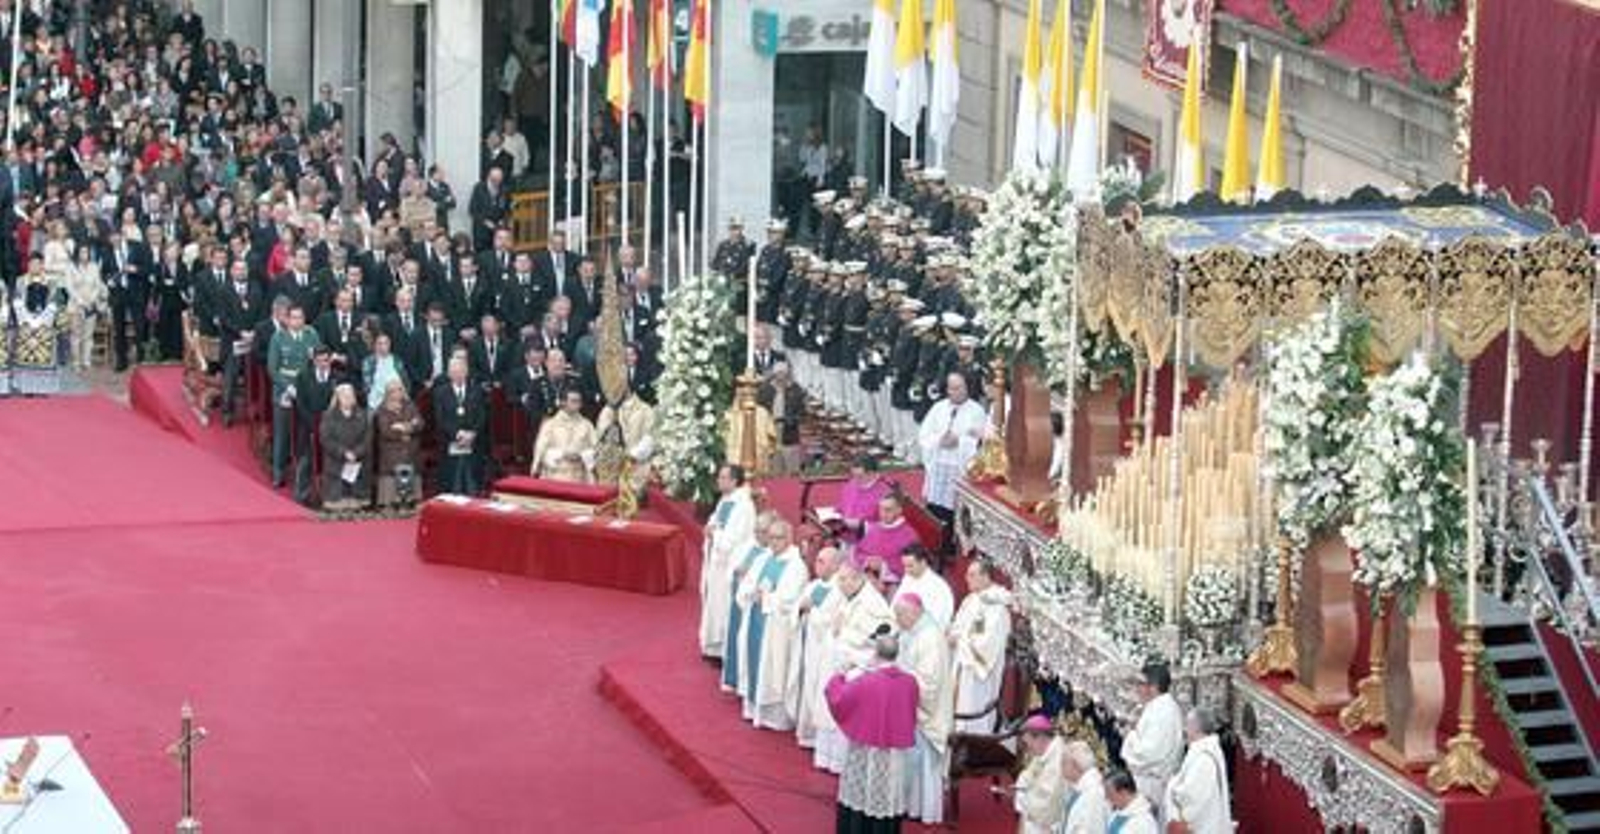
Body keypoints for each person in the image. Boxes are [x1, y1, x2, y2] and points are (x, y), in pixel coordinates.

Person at [825, 635, 919, 834]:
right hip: (894, 751)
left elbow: (838, 699)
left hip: (866, 749)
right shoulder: (910, 682)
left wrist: (838, 676)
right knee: (887, 792)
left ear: (876, 654)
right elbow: (912, 708)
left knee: (861, 790)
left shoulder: (865, 681)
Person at [814, 562, 894, 774]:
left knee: (844, 713)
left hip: (854, 666)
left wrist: (842, 631)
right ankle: (827, 758)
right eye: (839, 579)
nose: (839, 584)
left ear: (857, 579)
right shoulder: (848, 596)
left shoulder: (872, 604)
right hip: (835, 661)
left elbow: (873, 640)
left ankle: (841, 762)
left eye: (843, 579)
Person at [742, 520, 810, 730]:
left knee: (775, 668)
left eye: (778, 538)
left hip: (777, 628)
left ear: (789, 538)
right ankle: (755, 709)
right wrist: (750, 593)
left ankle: (777, 717)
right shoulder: (764, 558)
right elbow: (749, 582)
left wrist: (767, 598)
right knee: (756, 663)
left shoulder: (796, 565)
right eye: (770, 537)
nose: (773, 542)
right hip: (757, 619)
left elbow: (790, 599)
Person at [893, 592, 954, 826]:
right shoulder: (913, 631)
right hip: (911, 708)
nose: (897, 620)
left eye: (900, 614)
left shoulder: (929, 637)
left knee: (924, 763)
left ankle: (926, 810)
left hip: (927, 713)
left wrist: (901, 678)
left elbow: (929, 682)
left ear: (915, 612)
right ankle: (911, 805)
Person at [917, 372, 987, 550]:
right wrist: (940, 440)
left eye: (959, 388)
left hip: (959, 467)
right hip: (938, 464)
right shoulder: (938, 408)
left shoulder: (976, 411)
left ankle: (949, 545)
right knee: (935, 508)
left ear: (966, 388)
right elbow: (924, 435)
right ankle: (933, 542)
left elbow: (981, 443)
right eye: (951, 388)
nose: (954, 392)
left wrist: (959, 442)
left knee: (954, 510)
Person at [947, 560, 1012, 732]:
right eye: (967, 574)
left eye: (972, 575)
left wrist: (959, 641)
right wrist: (951, 633)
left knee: (972, 709)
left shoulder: (996, 607)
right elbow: (960, 626)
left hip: (977, 672)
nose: (966, 578)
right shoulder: (972, 599)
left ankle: (972, 740)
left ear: (985, 577)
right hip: (962, 663)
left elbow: (985, 643)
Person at [701, 464, 756, 659]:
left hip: (729, 563)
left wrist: (714, 532)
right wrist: (711, 528)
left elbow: (735, 538)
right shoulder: (725, 500)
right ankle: (712, 646)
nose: (719, 480)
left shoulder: (743, 505)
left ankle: (723, 650)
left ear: (734, 481)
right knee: (714, 602)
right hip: (716, 561)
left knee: (724, 605)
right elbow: (714, 520)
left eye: (723, 477)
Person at [1120, 661, 1185, 820]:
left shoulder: (1163, 713)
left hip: (1151, 785)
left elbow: (1147, 754)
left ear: (1153, 687)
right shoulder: (1158, 707)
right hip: (1148, 781)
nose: (1137, 688)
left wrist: (1131, 736)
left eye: (1140, 684)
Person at [721, 513, 777, 698]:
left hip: (756, 605)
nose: (758, 535)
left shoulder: (773, 555)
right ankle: (732, 677)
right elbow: (732, 566)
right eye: (756, 531)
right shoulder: (747, 546)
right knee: (735, 638)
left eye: (763, 531)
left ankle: (747, 684)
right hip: (739, 601)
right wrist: (736, 572)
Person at [267, 304, 322, 488]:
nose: (298, 321)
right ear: (287, 319)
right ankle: (278, 471)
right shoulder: (278, 337)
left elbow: (317, 360)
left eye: (301, 317)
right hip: (285, 388)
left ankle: (304, 470)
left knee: (306, 430)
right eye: (294, 318)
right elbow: (273, 369)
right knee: (282, 432)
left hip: (306, 388)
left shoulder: (311, 335)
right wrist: (288, 387)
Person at [794, 546, 843, 749]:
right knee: (807, 686)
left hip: (822, 650)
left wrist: (810, 610)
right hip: (807, 643)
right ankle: (805, 731)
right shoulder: (814, 585)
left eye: (822, 561)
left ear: (835, 565)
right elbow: (799, 607)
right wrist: (801, 609)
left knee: (817, 687)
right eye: (817, 560)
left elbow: (830, 621)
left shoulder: (838, 590)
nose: (816, 564)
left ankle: (815, 736)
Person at [1164, 707, 1233, 834]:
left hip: (1201, 826)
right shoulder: (1202, 750)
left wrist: (1171, 786)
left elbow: (1192, 796)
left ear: (1195, 727)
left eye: (1187, 725)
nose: (1184, 729)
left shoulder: (1204, 759)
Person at [434, 356, 489, 494]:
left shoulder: (476, 391)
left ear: (466, 372)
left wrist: (472, 433)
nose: (458, 374)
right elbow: (441, 419)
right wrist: (457, 434)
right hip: (450, 441)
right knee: (453, 482)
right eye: (454, 371)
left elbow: (482, 416)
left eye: (461, 371)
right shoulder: (440, 392)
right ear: (449, 373)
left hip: (473, 442)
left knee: (472, 481)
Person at [293, 346, 341, 505]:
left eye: (326, 360)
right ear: (313, 361)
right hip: (308, 424)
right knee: (305, 460)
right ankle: (302, 494)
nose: (323, 364)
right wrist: (313, 424)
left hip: (332, 427)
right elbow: (300, 403)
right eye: (319, 360)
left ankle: (330, 496)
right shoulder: (303, 377)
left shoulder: (338, 377)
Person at [9, 258, 63, 396]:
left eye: (38, 264)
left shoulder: (51, 281)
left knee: (45, 351)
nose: (35, 266)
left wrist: (44, 318)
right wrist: (27, 319)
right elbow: (15, 299)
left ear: (42, 266)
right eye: (32, 264)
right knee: (25, 351)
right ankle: (27, 387)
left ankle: (43, 388)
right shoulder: (21, 281)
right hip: (25, 322)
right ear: (28, 266)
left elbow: (57, 300)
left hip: (45, 323)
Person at [320, 383, 372, 510]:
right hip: (336, 461)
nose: (349, 398)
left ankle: (359, 499)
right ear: (338, 398)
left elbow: (367, 438)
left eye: (351, 395)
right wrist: (343, 452)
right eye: (345, 396)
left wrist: (356, 453)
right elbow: (326, 439)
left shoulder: (363, 415)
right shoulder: (328, 416)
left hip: (358, 460)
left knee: (359, 502)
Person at [1012, 716, 1066, 834]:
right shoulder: (1044, 751)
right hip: (1035, 813)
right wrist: (1021, 790)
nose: (1028, 750)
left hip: (1048, 824)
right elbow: (1027, 774)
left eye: (1029, 744)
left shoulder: (1058, 761)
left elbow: (1048, 803)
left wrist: (1024, 797)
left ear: (1040, 738)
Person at [374, 381, 424, 508]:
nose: (397, 393)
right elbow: (385, 430)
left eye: (399, 390)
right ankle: (391, 502)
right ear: (388, 393)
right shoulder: (382, 409)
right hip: (391, 450)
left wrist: (405, 428)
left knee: (411, 464)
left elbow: (420, 423)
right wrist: (404, 431)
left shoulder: (410, 405)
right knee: (392, 466)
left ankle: (411, 500)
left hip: (410, 448)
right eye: (393, 391)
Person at [532, 388, 598, 483]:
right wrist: (561, 454)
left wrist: (584, 455)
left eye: (579, 401)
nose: (577, 405)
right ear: (563, 403)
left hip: (579, 474)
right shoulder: (550, 424)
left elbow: (596, 448)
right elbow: (540, 450)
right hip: (556, 473)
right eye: (573, 401)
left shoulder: (587, 425)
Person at [855, 494, 921, 585]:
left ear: (899, 510)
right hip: (869, 576)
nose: (883, 513)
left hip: (894, 582)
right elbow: (859, 552)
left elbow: (914, 565)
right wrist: (867, 561)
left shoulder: (909, 535)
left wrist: (884, 566)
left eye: (888, 510)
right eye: (880, 509)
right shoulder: (873, 529)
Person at [62, 244, 105, 372]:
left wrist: (91, 300)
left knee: (88, 335)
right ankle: (76, 362)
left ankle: (87, 361)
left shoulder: (94, 266)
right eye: (82, 252)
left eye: (86, 252)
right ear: (77, 253)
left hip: (91, 305)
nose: (84, 254)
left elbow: (98, 285)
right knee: (76, 335)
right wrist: (81, 302)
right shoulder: (70, 267)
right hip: (75, 306)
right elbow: (69, 287)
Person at [757, 362, 806, 473]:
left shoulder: (795, 390)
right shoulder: (765, 390)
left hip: (789, 432)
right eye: (779, 373)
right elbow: (760, 410)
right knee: (774, 466)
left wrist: (791, 419)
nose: (781, 377)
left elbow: (802, 413)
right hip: (770, 430)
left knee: (792, 467)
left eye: (784, 373)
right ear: (774, 374)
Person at [893, 545, 954, 629]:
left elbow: (936, 618)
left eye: (910, 566)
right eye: (904, 566)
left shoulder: (938, 586)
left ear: (923, 562)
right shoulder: (908, 578)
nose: (906, 570)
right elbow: (895, 604)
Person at [1059, 740, 1109, 834]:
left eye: (1063, 763)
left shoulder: (1094, 792)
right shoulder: (1080, 788)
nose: (1061, 768)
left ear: (1075, 765)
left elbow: (1091, 829)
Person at [363, 331, 409, 411]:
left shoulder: (397, 360)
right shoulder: (369, 362)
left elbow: (405, 382)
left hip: (398, 400)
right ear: (375, 345)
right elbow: (368, 386)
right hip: (377, 402)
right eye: (380, 343)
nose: (383, 346)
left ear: (390, 345)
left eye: (386, 343)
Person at [1104, 770, 1160, 834]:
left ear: (1123, 792)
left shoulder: (1143, 821)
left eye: (1109, 793)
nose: (1106, 797)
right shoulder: (1117, 813)